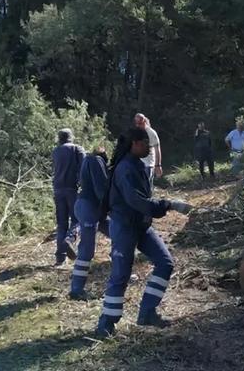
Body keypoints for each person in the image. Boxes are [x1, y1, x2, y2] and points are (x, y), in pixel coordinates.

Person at [96, 128, 193, 337]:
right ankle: (105, 325)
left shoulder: (136, 165)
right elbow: (137, 201)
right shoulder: (125, 169)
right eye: (146, 143)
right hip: (124, 227)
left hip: (141, 225)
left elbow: (142, 200)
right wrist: (170, 205)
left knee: (165, 262)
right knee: (121, 274)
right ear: (135, 143)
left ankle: (147, 312)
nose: (150, 148)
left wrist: (163, 206)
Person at [69, 147, 112, 300]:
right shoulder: (96, 160)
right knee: (87, 251)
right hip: (89, 207)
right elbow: (101, 189)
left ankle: (117, 265)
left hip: (89, 207)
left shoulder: (87, 162)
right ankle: (76, 289)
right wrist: (112, 208)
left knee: (117, 233)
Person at [51, 129, 85, 266]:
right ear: (71, 137)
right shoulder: (77, 149)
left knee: (61, 224)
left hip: (58, 189)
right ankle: (69, 240)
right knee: (79, 219)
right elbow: (84, 167)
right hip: (72, 188)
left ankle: (60, 258)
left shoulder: (56, 151)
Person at [134, 113, 162, 187]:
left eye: (139, 123)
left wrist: (158, 165)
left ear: (144, 122)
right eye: (136, 123)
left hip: (148, 164)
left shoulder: (151, 133)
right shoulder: (135, 132)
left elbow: (157, 149)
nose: (137, 125)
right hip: (137, 164)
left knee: (146, 187)